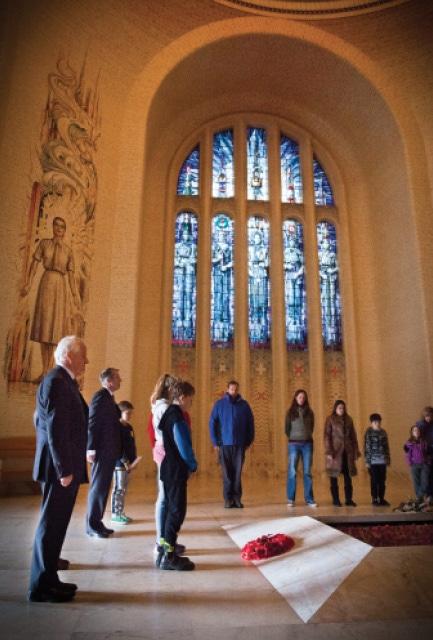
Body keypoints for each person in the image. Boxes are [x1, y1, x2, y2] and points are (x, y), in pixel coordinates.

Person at [28, 336, 88, 603]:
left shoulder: (63, 383)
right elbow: (54, 428)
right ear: (67, 356)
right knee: (50, 525)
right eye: (82, 355)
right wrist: (64, 468)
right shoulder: (56, 382)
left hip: (62, 464)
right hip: (57, 468)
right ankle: (40, 586)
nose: (86, 360)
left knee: (57, 525)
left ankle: (50, 578)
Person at [20, 217, 81, 379]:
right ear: (53, 227)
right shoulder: (44, 244)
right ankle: (45, 368)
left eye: (62, 226)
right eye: (57, 225)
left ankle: (48, 369)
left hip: (60, 287)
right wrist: (28, 283)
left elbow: (71, 275)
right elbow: (34, 264)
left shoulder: (68, 251)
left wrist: (75, 296)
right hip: (46, 283)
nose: (59, 228)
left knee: (54, 328)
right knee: (44, 325)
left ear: (65, 230)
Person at [158, 380, 198, 571]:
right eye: (190, 399)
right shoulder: (177, 416)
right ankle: (169, 556)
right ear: (182, 398)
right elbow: (183, 444)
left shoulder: (168, 413)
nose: (191, 404)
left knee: (170, 513)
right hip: (176, 470)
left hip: (169, 468)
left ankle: (167, 551)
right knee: (176, 512)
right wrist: (192, 464)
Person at [86, 367, 122, 537]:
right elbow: (93, 422)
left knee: (103, 488)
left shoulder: (109, 398)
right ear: (109, 381)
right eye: (118, 378)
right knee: (98, 488)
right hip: (101, 450)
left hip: (109, 450)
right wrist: (91, 448)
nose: (120, 380)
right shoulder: (100, 396)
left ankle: (97, 522)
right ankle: (92, 525)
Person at [209, 380, 255, 508]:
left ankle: (237, 499)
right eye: (231, 389)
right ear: (227, 389)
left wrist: (248, 440)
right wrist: (215, 441)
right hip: (224, 445)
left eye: (236, 389)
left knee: (237, 474)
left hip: (240, 445)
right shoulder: (219, 404)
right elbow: (212, 423)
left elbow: (250, 423)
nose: (233, 392)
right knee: (227, 474)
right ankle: (228, 499)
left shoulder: (244, 405)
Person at [324, 399, 361, 507]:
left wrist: (355, 450)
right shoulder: (330, 419)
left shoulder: (349, 419)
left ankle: (349, 499)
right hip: (335, 452)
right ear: (335, 408)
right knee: (334, 477)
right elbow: (327, 436)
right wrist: (329, 451)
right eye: (340, 407)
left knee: (348, 477)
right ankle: (336, 500)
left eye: (343, 408)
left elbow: (353, 436)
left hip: (347, 452)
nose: (342, 409)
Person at [285, 389, 317, 508]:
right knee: (292, 471)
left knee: (307, 472)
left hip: (307, 444)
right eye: (299, 397)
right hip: (293, 444)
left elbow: (312, 427)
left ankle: (309, 499)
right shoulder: (290, 412)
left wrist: (306, 435)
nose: (301, 399)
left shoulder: (310, 412)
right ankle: (290, 499)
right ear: (295, 398)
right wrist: (294, 437)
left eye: (303, 397)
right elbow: (286, 429)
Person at [111, 400, 140, 525]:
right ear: (120, 413)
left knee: (123, 489)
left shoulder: (129, 427)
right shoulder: (117, 427)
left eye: (131, 413)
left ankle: (121, 512)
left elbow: (131, 445)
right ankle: (115, 514)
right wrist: (125, 461)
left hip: (128, 465)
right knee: (118, 489)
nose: (130, 416)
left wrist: (133, 461)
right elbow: (118, 447)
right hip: (120, 464)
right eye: (127, 413)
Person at [364, 413, 391, 506]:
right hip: (373, 461)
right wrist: (367, 461)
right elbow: (367, 448)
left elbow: (386, 446)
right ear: (371, 423)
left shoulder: (383, 432)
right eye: (375, 422)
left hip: (382, 461)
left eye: (379, 422)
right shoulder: (369, 433)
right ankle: (374, 498)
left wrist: (388, 459)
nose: (377, 424)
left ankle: (382, 498)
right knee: (374, 480)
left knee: (382, 481)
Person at [403, 425, 430, 503]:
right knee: (416, 482)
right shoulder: (409, 443)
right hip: (414, 465)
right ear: (412, 432)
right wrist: (409, 463)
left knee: (425, 482)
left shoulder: (424, 441)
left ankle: (419, 496)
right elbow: (407, 454)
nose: (416, 432)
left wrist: (428, 462)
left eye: (418, 430)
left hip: (424, 464)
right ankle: (419, 498)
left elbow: (428, 453)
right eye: (414, 430)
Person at [416, 407, 433, 500]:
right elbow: (417, 436)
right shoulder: (420, 425)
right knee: (424, 476)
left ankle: (430, 495)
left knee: (430, 475)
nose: (429, 418)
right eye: (427, 416)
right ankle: (422, 495)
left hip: (431, 450)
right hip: (423, 452)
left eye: (430, 416)